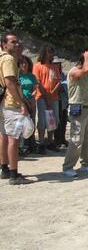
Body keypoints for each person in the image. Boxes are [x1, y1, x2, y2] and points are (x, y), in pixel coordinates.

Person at [0, 32, 33, 185]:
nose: (17, 44)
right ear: (4, 44)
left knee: (4, 136)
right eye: (13, 42)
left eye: (17, 41)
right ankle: (14, 174)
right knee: (14, 138)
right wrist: (22, 104)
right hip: (11, 103)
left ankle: (5, 168)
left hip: (3, 103)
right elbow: (10, 82)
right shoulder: (8, 59)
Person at [62, 50, 88, 177]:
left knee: (87, 139)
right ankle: (68, 167)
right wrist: (86, 56)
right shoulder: (74, 72)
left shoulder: (84, 74)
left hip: (86, 108)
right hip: (77, 108)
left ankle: (85, 164)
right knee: (76, 139)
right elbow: (87, 70)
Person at [33, 45, 61, 154]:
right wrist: (46, 96)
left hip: (54, 97)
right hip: (41, 97)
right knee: (42, 121)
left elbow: (58, 81)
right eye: (49, 52)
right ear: (44, 53)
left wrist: (52, 93)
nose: (51, 55)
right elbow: (38, 82)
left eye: (52, 53)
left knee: (54, 120)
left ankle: (50, 142)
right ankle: (41, 143)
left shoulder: (54, 67)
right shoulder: (37, 66)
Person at [18, 54, 38, 155]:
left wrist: (32, 96)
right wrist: (25, 101)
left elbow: (35, 88)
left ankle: (31, 144)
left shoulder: (32, 76)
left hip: (31, 101)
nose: (24, 65)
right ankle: (22, 146)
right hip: (22, 102)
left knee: (32, 123)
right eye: (22, 63)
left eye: (25, 63)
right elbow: (18, 90)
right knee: (22, 125)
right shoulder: (18, 76)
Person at [53, 55, 68, 149]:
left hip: (63, 99)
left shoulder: (63, 74)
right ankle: (57, 139)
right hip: (55, 98)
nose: (57, 65)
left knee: (64, 120)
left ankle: (62, 138)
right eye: (55, 63)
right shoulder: (52, 73)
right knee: (56, 120)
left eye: (58, 63)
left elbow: (66, 85)